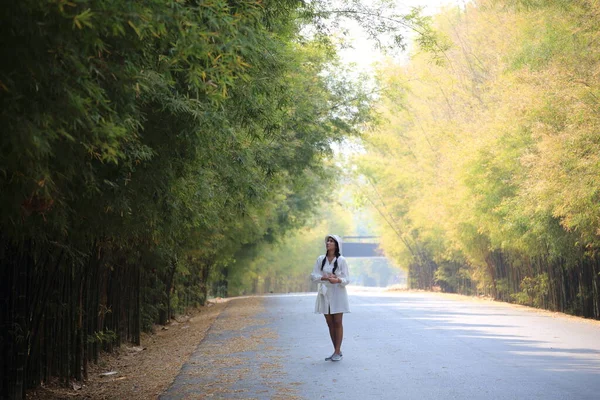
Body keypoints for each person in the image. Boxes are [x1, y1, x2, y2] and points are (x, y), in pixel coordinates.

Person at [310, 234, 350, 362]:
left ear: (336, 245)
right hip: (324, 293)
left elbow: (347, 279)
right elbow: (313, 275)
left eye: (331, 241)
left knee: (337, 322)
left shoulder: (342, 260)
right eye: (328, 241)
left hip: (338, 292)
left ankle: (337, 351)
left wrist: (337, 279)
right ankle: (336, 350)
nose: (328, 243)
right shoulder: (320, 259)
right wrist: (325, 278)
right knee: (329, 323)